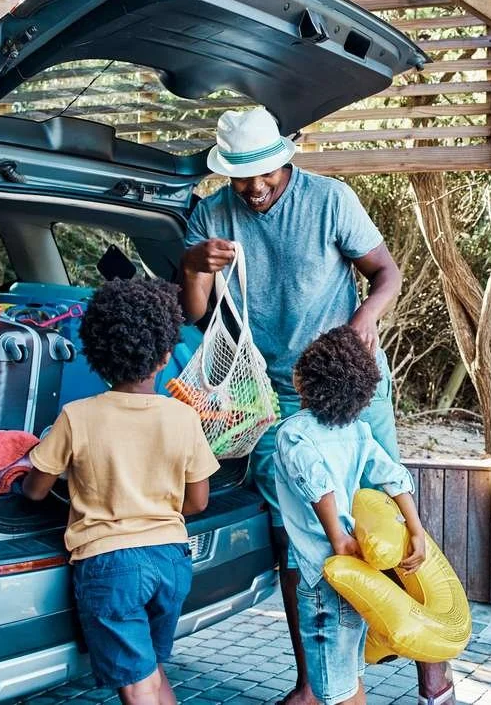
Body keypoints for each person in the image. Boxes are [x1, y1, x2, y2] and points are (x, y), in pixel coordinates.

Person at [180, 107, 453, 705]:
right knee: (297, 535)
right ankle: (312, 683)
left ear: (286, 155)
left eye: (265, 174)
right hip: (273, 391)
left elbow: (386, 273)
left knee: (384, 516)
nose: (254, 189)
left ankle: (432, 669)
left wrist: (359, 327)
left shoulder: (330, 199)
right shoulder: (211, 214)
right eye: (241, 177)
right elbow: (199, 314)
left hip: (353, 381)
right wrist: (196, 266)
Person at [21, 279, 220, 705]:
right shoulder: (184, 418)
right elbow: (198, 501)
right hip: (171, 561)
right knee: (149, 670)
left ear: (97, 354)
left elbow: (34, 491)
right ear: (167, 354)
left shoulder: (77, 417)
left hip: (110, 565)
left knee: (136, 684)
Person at [274, 325, 427, 705]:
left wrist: (337, 538)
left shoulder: (294, 433)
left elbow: (317, 482)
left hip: (326, 576)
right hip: (360, 572)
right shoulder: (358, 432)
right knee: (350, 677)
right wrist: (417, 529)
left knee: (336, 690)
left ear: (299, 379)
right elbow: (393, 477)